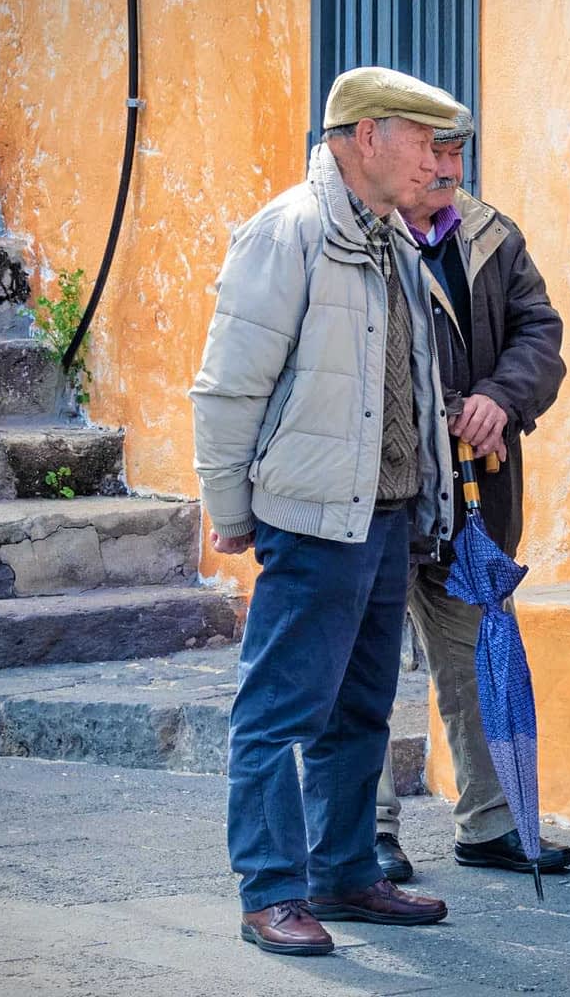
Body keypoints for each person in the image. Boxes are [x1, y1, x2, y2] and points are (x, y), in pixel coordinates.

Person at [190, 66, 463, 957]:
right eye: (426, 144)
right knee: (279, 710)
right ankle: (270, 890)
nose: (440, 162)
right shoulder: (290, 232)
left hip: (383, 516)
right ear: (369, 136)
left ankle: (344, 871)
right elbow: (230, 385)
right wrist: (229, 504)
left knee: (362, 707)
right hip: (312, 517)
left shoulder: (393, 238)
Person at [373, 102, 570, 882]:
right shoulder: (361, 237)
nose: (449, 183)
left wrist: (501, 395)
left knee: (477, 657)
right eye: (436, 165)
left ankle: (490, 823)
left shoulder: (492, 234)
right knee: (374, 673)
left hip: (473, 497)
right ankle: (371, 831)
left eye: (458, 167)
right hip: (385, 490)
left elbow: (540, 334)